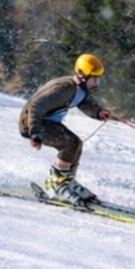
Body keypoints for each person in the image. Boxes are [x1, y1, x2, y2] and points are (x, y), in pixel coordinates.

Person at [18, 53, 111, 205]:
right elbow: (36, 106)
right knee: (70, 144)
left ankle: (67, 181)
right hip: (34, 124)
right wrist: (34, 132)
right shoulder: (63, 88)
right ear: (83, 76)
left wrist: (99, 112)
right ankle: (57, 183)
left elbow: (85, 103)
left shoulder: (79, 90)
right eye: (95, 78)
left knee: (76, 144)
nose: (97, 82)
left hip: (48, 123)